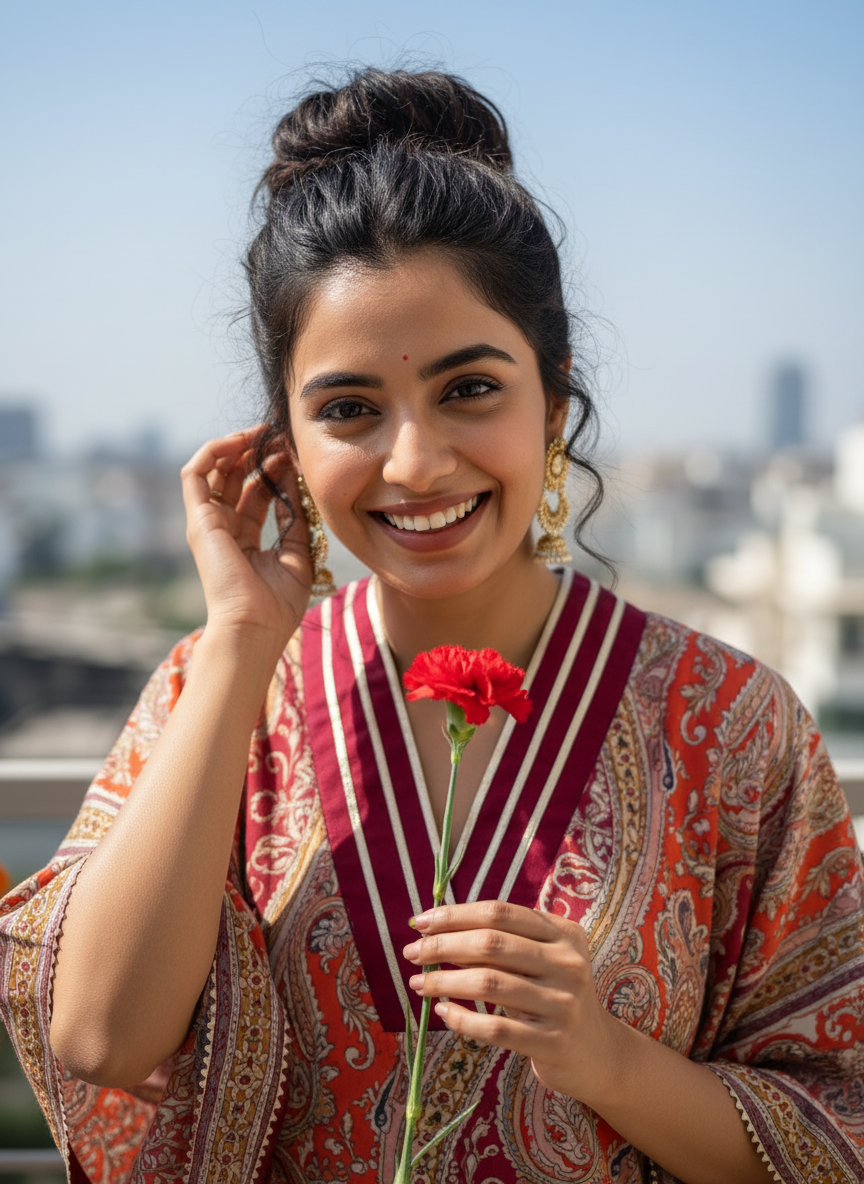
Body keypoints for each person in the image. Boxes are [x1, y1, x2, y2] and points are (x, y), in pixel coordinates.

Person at [1, 68, 863, 1184]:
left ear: (553, 404)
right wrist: (240, 634)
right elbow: (101, 1039)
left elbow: (836, 1129)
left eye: (470, 390)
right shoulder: (219, 690)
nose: (415, 463)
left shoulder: (734, 725)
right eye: (350, 409)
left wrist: (607, 1059)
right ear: (289, 450)